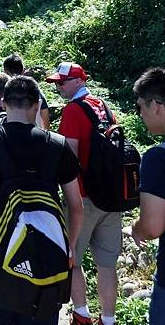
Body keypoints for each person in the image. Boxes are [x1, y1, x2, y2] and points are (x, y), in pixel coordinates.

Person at [0, 75, 83, 324]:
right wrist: (70, 247)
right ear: (36, 106)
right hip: (47, 262)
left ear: (4, 104)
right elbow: (76, 206)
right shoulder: (57, 145)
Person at [46, 62, 122, 325]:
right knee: (107, 264)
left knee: (73, 260)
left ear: (79, 81)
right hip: (111, 198)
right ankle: (109, 320)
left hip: (83, 199)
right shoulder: (105, 108)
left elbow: (69, 158)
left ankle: (81, 315)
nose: (58, 87)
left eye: (62, 82)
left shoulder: (73, 112)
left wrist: (69, 199)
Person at [129, 68, 165, 325]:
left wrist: (136, 227)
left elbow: (152, 226)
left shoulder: (158, 158)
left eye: (141, 105)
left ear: (156, 105)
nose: (140, 113)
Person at [3, 53, 50, 130]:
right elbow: (45, 117)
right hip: (35, 134)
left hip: (9, 136)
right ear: (23, 70)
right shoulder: (35, 89)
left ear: (5, 71)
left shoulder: (3, 91)